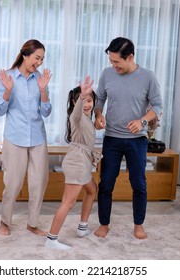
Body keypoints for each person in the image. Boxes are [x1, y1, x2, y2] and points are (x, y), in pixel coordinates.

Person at [93, 37, 163, 240]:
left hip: (137, 140)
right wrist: (98, 115)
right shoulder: (107, 74)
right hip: (112, 138)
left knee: (138, 183)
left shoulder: (148, 77)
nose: (113, 66)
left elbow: (157, 105)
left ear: (130, 57)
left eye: (117, 62)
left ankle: (138, 225)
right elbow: (100, 99)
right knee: (106, 183)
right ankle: (104, 224)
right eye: (111, 61)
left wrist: (142, 121)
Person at [0, 39, 52, 236]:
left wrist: (43, 91)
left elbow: (46, 112)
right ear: (25, 55)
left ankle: (32, 224)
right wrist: (8, 91)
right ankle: (5, 221)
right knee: (13, 183)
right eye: (37, 57)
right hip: (14, 136)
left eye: (42, 59)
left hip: (37, 137)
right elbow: (0, 111)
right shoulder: (8, 77)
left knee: (39, 182)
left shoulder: (40, 79)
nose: (40, 62)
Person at [45, 76, 102, 250]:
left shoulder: (87, 120)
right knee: (68, 202)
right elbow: (77, 112)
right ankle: (51, 240)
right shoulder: (75, 117)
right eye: (82, 101)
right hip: (77, 163)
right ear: (74, 101)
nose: (86, 104)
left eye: (90, 100)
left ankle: (82, 228)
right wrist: (82, 98)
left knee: (92, 190)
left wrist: (97, 122)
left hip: (82, 163)